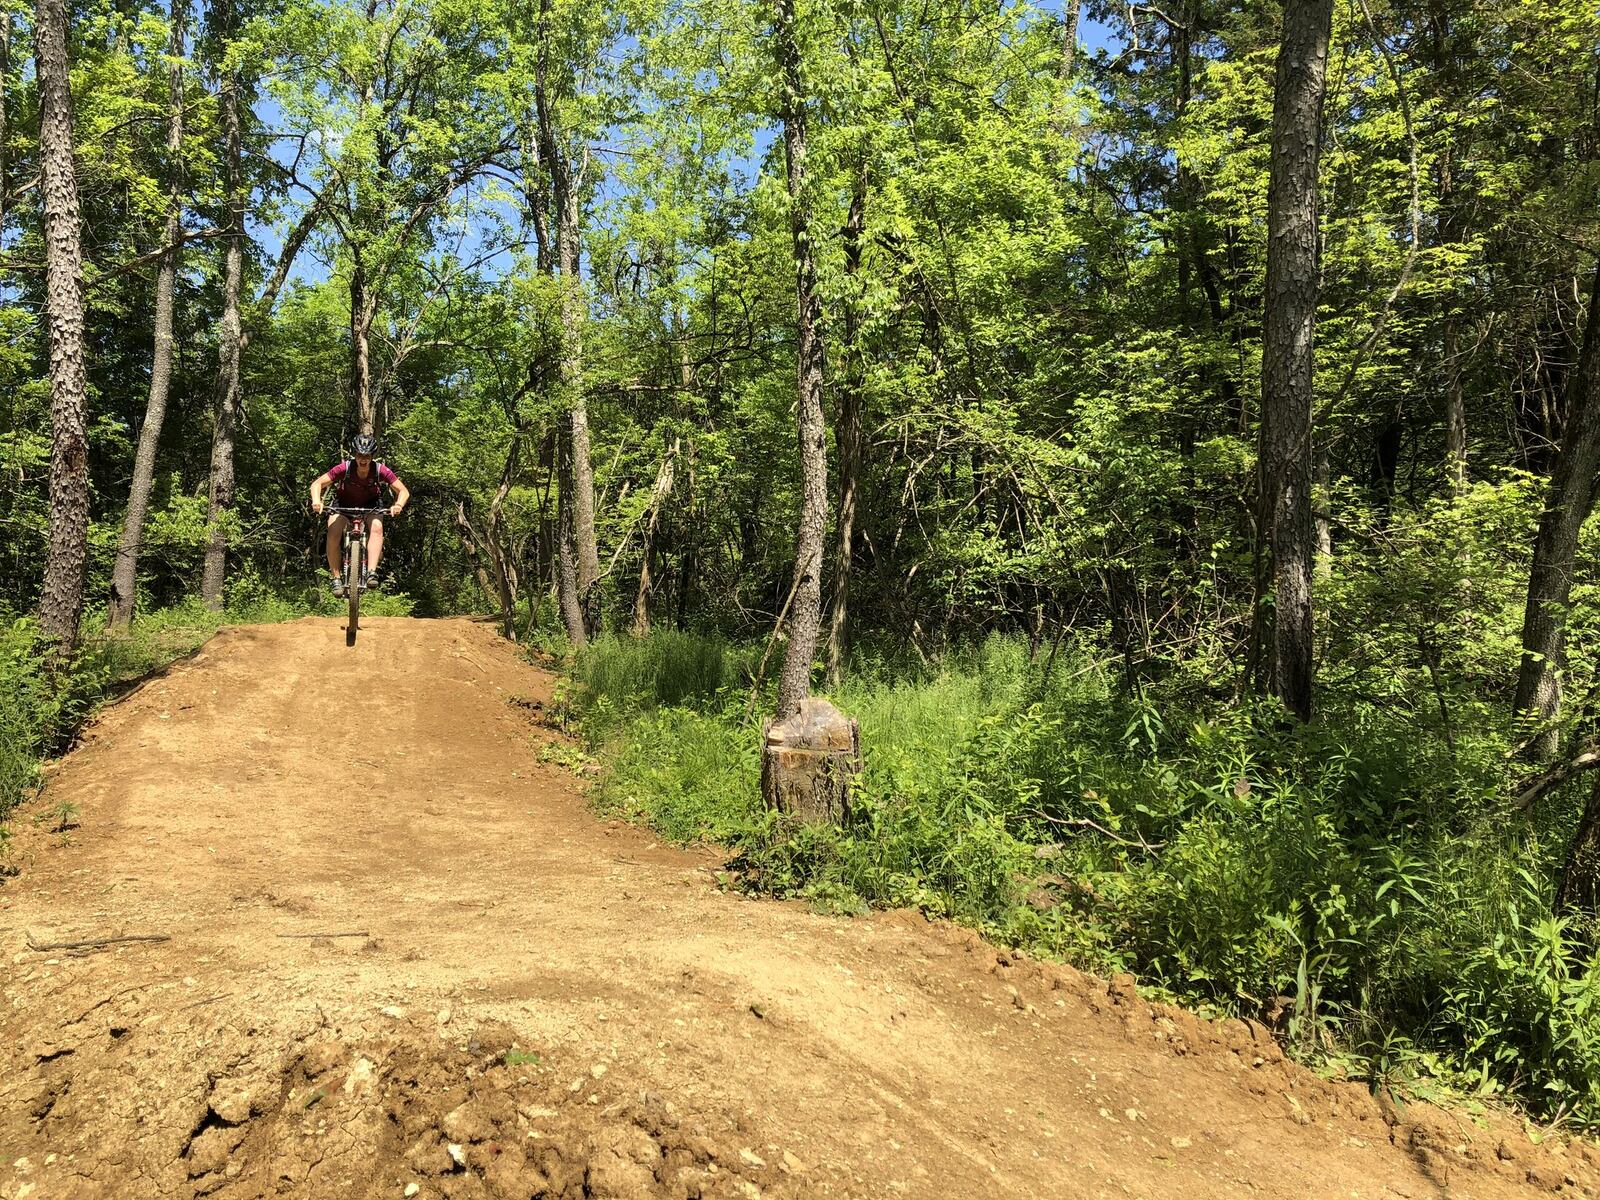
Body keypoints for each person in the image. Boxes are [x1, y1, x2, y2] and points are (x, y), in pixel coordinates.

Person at [309, 433, 410, 596]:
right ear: (354, 454)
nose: (363, 459)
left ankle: (371, 572)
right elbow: (317, 484)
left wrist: (398, 504)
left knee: (377, 528)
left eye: (367, 456)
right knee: (333, 532)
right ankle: (336, 578)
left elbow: (403, 491)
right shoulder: (345, 468)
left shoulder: (380, 470)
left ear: (372, 456)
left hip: (370, 505)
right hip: (343, 505)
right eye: (359, 455)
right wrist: (316, 500)